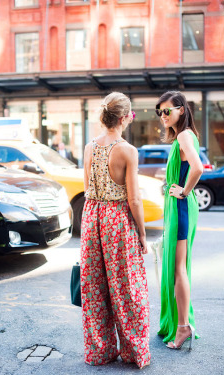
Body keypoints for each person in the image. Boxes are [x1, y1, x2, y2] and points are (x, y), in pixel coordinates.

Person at [80, 92, 151, 369]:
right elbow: (133, 199)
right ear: (125, 118)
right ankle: (133, 351)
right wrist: (142, 234)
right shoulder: (127, 150)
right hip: (117, 220)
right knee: (126, 287)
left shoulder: (88, 147)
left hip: (92, 216)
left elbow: (88, 187)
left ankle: (100, 351)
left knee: (94, 287)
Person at [155, 91, 203, 350]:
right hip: (183, 206)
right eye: (159, 111)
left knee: (178, 269)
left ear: (181, 110)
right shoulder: (187, 136)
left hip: (182, 207)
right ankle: (183, 323)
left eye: (167, 110)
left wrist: (183, 191)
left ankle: (183, 326)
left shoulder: (184, 135)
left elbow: (197, 168)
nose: (163, 115)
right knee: (178, 267)